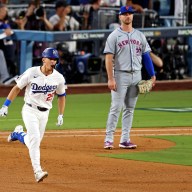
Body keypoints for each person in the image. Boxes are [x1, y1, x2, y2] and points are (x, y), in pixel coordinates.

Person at [0, 47, 67, 182]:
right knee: (35, 139)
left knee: (33, 143)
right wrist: (5, 105)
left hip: (45, 113)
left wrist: (61, 114)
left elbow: (61, 95)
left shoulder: (58, 78)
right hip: (29, 110)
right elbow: (17, 87)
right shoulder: (32, 72)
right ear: (43, 59)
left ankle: (18, 133)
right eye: (51, 59)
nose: (53, 62)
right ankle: (37, 171)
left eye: (55, 60)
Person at [103, 6, 156, 149]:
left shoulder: (140, 35)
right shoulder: (114, 36)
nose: (128, 16)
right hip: (120, 75)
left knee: (130, 108)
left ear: (133, 16)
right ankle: (108, 139)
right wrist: (110, 78)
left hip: (137, 75)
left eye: (130, 14)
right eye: (125, 14)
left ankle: (125, 139)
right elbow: (108, 58)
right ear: (120, 17)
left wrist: (152, 75)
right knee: (116, 107)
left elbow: (146, 56)